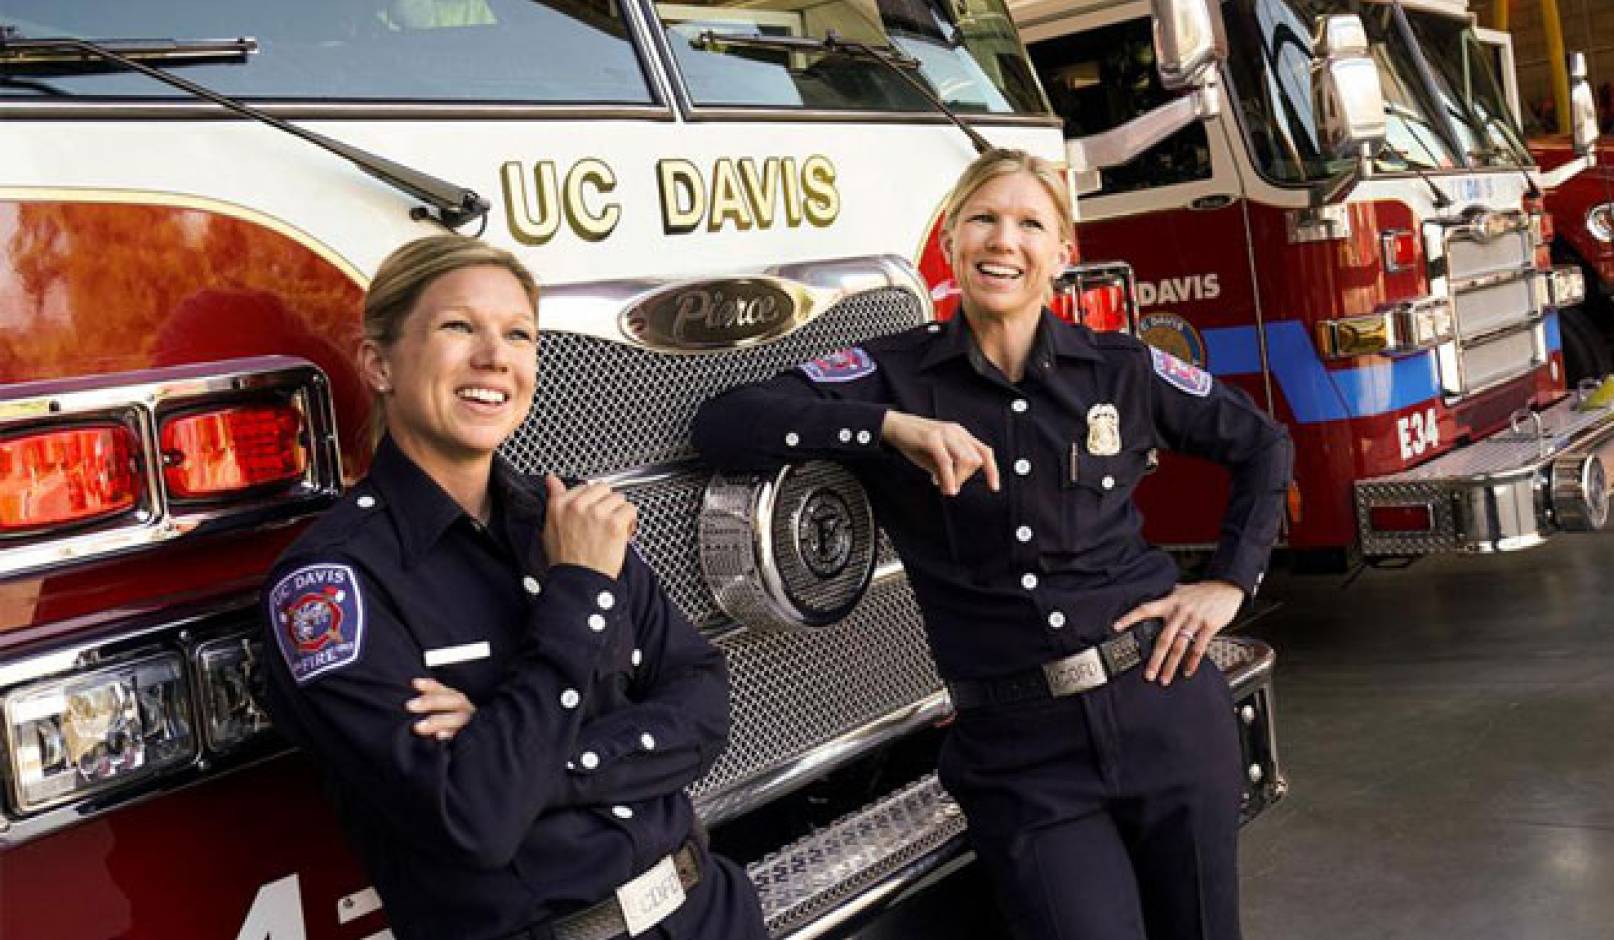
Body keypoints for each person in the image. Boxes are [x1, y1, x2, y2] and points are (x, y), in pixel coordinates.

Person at [692, 149, 1291, 940]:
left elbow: (1263, 445)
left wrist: (1229, 584)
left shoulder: (1120, 369)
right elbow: (725, 421)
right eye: (982, 219)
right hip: (1020, 757)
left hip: (1165, 711)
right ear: (951, 241)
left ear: (1060, 255)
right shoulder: (892, 376)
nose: (1003, 240)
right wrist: (886, 427)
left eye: (1029, 224)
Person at [256, 235, 767, 940]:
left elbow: (705, 705)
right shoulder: (333, 588)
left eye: (518, 334)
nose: (495, 357)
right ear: (379, 363)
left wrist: (529, 762)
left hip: (710, 911)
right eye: (459, 327)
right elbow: (475, 818)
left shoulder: (566, 514)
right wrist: (580, 590)